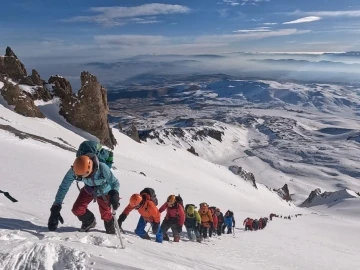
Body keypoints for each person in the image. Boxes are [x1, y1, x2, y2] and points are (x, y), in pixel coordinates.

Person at [48, 154, 120, 234]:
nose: (84, 178)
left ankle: (110, 227)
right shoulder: (75, 169)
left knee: (106, 214)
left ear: (91, 169)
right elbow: (64, 186)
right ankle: (89, 221)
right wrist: (56, 207)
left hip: (105, 191)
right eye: (80, 177)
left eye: (85, 176)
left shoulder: (102, 168)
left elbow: (115, 182)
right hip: (89, 189)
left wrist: (115, 193)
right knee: (77, 209)